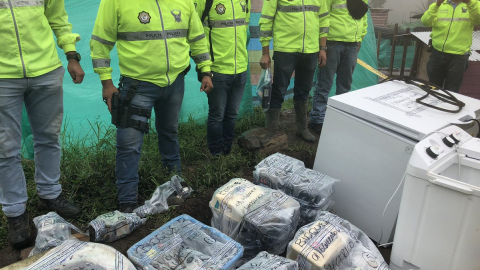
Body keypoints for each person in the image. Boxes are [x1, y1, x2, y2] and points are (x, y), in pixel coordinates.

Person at [90, 0, 213, 213]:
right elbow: (100, 41)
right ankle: (127, 201)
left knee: (170, 132)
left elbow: (197, 36)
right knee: (129, 143)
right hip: (137, 85)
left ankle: (174, 185)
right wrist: (106, 82)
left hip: (175, 81)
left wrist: (205, 69)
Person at [0, 0, 85, 249]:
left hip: (46, 70)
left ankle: (50, 193)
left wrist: (72, 55)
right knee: (5, 148)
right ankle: (15, 213)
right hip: (3, 76)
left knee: (48, 137)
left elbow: (58, 17)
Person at [259, 0, 329, 142]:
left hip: (310, 50)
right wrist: (265, 52)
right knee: (279, 90)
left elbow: (324, 19)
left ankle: (302, 128)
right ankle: (271, 131)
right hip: (285, 50)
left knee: (303, 91)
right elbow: (266, 20)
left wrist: (323, 48)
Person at [194, 0, 250, 157]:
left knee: (232, 114)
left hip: (240, 69)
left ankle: (228, 150)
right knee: (217, 115)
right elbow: (195, 35)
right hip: (216, 70)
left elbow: (244, 29)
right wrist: (205, 70)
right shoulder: (205, 1)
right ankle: (216, 153)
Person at [309, 0, 369, 135]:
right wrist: (322, 47)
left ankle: (340, 117)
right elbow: (323, 17)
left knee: (345, 84)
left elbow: (363, 19)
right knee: (325, 83)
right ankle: (317, 119)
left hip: (352, 45)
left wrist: (360, 39)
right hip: (332, 43)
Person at [422, 0, 480, 93]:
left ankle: (449, 107)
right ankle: (434, 106)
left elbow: (478, 19)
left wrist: (469, 3)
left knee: (452, 90)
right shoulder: (439, 5)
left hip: (458, 56)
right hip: (437, 53)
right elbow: (425, 22)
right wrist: (437, 5)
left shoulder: (473, 5)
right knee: (434, 87)